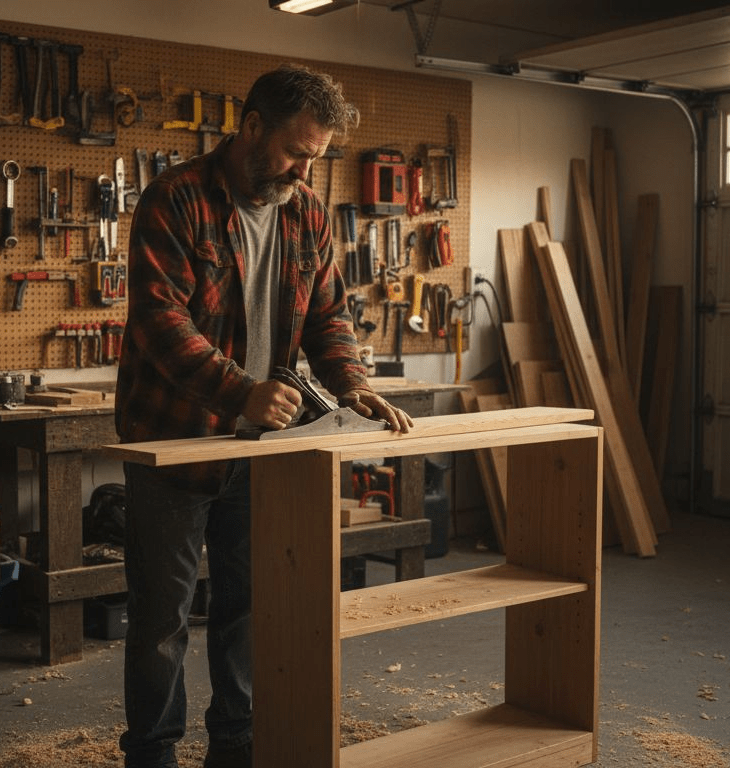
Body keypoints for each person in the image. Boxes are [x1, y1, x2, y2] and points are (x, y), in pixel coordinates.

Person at [114, 63, 413, 768]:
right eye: (295, 150)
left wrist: (350, 384)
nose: (304, 169)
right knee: (160, 621)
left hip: (263, 449)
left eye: (315, 156)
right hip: (175, 442)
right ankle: (153, 755)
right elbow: (160, 322)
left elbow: (330, 315)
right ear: (251, 127)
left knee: (247, 609)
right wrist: (237, 389)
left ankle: (236, 750)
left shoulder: (305, 211)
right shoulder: (174, 199)